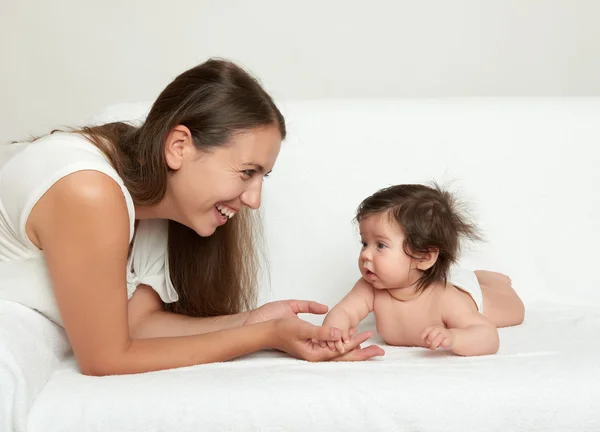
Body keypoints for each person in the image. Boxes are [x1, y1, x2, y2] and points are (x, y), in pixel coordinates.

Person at [0, 59, 384, 376]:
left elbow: (136, 325)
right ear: (179, 146)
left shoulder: (149, 205)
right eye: (247, 172)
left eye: (262, 177)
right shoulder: (89, 191)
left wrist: (253, 321)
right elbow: (105, 358)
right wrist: (266, 338)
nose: (254, 199)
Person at [322, 183, 525, 356]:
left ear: (424, 257)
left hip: (465, 292)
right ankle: (475, 275)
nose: (366, 254)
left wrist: (454, 338)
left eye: (380, 245)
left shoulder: (446, 299)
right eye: (364, 243)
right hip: (433, 276)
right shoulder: (370, 287)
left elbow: (488, 335)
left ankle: (491, 280)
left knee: (515, 311)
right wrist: (334, 333)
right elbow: (344, 312)